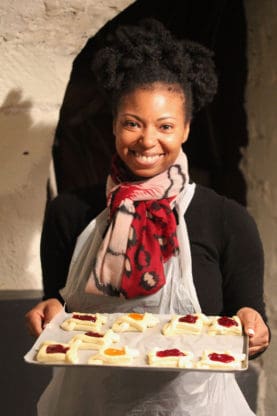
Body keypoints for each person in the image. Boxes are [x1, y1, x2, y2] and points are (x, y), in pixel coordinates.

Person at [25, 18, 269, 416]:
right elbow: (59, 313)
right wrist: (48, 310)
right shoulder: (69, 213)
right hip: (89, 407)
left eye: (165, 126)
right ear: (115, 126)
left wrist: (253, 326)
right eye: (132, 124)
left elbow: (252, 325)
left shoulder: (228, 220)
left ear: (186, 129)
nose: (147, 140)